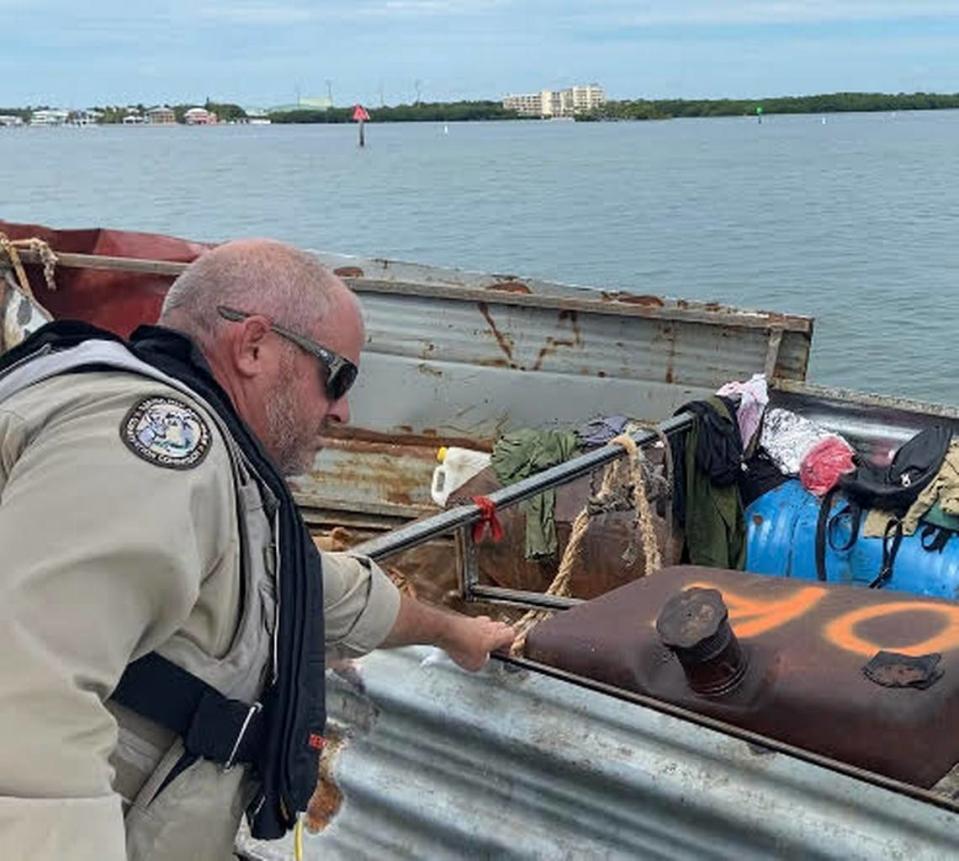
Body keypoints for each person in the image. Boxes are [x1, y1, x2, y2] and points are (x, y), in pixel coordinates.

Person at [0, 239, 515, 861]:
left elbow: (312, 588)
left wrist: (455, 632)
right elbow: (25, 701)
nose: (344, 411)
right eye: (338, 376)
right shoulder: (160, 450)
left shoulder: (216, 473)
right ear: (252, 347)